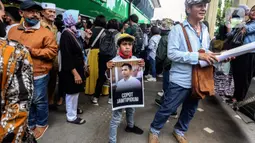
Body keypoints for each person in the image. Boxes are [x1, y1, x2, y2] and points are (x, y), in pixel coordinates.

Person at [148, 0, 219, 143]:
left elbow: (205, 51)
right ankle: (154, 130)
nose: (203, 8)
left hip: (199, 79)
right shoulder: (178, 29)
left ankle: (179, 130)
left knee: (190, 109)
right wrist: (198, 56)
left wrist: (220, 56)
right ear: (188, 8)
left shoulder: (204, 29)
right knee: (168, 108)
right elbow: (172, 54)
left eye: (204, 5)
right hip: (180, 79)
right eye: (199, 5)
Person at [8, 0, 58, 140]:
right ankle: (30, 123)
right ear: (21, 13)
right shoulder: (12, 30)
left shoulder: (46, 33)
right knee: (24, 99)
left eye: (36, 12)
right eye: (30, 11)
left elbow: (52, 52)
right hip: (17, 74)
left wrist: (32, 51)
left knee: (38, 100)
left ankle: (41, 124)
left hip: (38, 73)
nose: (34, 14)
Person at [107, 33, 144, 143]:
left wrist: (143, 66)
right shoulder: (113, 61)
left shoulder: (136, 59)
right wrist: (107, 69)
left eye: (130, 44)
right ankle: (112, 141)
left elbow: (140, 75)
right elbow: (109, 78)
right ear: (119, 47)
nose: (127, 47)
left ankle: (130, 126)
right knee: (116, 118)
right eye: (124, 44)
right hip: (119, 95)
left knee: (131, 110)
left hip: (132, 92)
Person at [59, 9, 87, 125]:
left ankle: (73, 110)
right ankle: (71, 116)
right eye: (78, 17)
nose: (80, 19)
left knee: (75, 92)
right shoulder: (66, 35)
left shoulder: (74, 32)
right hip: (71, 70)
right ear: (71, 19)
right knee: (71, 94)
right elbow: (67, 57)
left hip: (77, 68)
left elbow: (80, 50)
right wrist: (75, 74)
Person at [228, 5, 255, 104]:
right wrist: (232, 23)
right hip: (239, 52)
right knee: (237, 74)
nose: (253, 12)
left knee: (244, 77)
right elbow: (231, 34)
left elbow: (246, 29)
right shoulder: (245, 22)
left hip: (249, 54)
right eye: (252, 10)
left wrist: (238, 21)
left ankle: (239, 99)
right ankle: (236, 95)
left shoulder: (249, 24)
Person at [154, 19, 178, 120]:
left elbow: (160, 55)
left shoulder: (164, 38)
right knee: (173, 86)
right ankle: (163, 100)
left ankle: (172, 110)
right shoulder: (177, 36)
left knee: (168, 86)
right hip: (177, 65)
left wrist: (157, 66)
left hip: (168, 65)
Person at [92, 19, 120, 105]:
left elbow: (100, 44)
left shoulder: (103, 32)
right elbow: (118, 47)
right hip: (113, 58)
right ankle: (111, 99)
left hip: (102, 57)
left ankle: (95, 98)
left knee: (101, 77)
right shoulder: (118, 34)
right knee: (113, 78)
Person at [41, 2, 59, 110]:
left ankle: (50, 101)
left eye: (54, 12)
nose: (52, 14)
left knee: (52, 81)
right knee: (43, 83)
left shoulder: (54, 27)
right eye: (50, 11)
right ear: (43, 12)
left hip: (54, 59)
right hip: (43, 59)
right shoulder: (39, 25)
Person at [86, 15, 107, 99]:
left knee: (91, 71)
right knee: (99, 72)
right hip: (100, 53)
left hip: (91, 52)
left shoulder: (90, 30)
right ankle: (99, 90)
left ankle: (90, 90)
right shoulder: (104, 31)